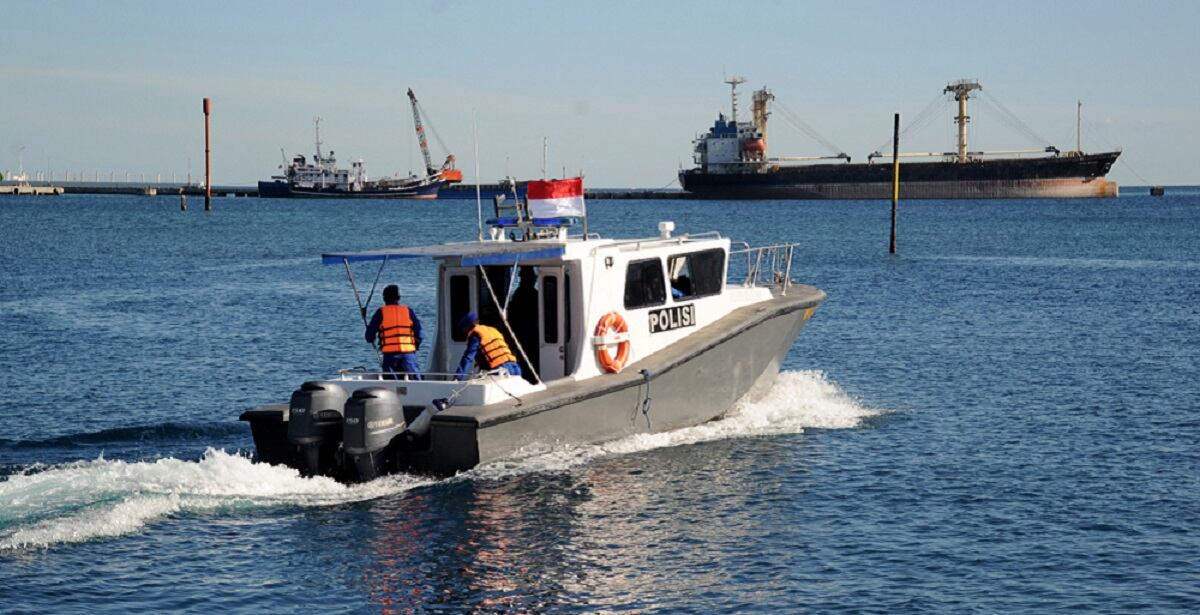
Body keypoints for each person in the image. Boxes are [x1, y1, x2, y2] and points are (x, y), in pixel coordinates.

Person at [364, 285, 424, 378]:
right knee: (415, 382)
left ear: (384, 298)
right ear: (398, 297)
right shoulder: (408, 311)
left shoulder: (380, 312)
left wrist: (370, 335)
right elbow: (420, 333)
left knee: (392, 384)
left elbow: (369, 337)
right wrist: (415, 345)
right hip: (408, 354)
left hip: (390, 356)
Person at [454, 311, 522, 380]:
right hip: (515, 368)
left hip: (500, 371)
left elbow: (468, 358)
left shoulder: (475, 334)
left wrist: (458, 377)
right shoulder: (492, 330)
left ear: (466, 328)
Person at [506, 267, 540, 383]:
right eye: (531, 278)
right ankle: (529, 379)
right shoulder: (522, 295)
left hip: (530, 334)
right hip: (525, 334)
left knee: (529, 359)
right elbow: (513, 316)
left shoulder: (523, 294)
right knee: (527, 360)